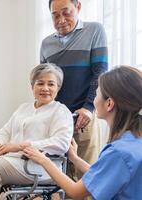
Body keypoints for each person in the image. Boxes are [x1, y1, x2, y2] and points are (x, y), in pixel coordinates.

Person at [0, 63, 74, 200]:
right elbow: (5, 130)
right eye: (40, 83)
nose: (45, 88)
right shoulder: (24, 108)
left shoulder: (61, 111)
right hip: (13, 160)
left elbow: (61, 143)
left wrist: (21, 146)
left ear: (58, 87)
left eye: (51, 84)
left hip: (38, 167)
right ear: (32, 86)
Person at [23, 66, 142, 199]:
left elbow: (75, 192)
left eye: (96, 94)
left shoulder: (118, 152)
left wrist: (43, 160)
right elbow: (101, 174)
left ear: (109, 104)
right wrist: (75, 158)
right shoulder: (133, 143)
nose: (94, 99)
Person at [40, 0, 109, 176]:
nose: (61, 20)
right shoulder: (46, 43)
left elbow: (100, 73)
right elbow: (45, 81)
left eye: (66, 13)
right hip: (57, 118)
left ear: (78, 7)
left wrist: (88, 108)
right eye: (55, 15)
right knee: (63, 177)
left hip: (84, 116)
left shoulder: (94, 30)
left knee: (88, 176)